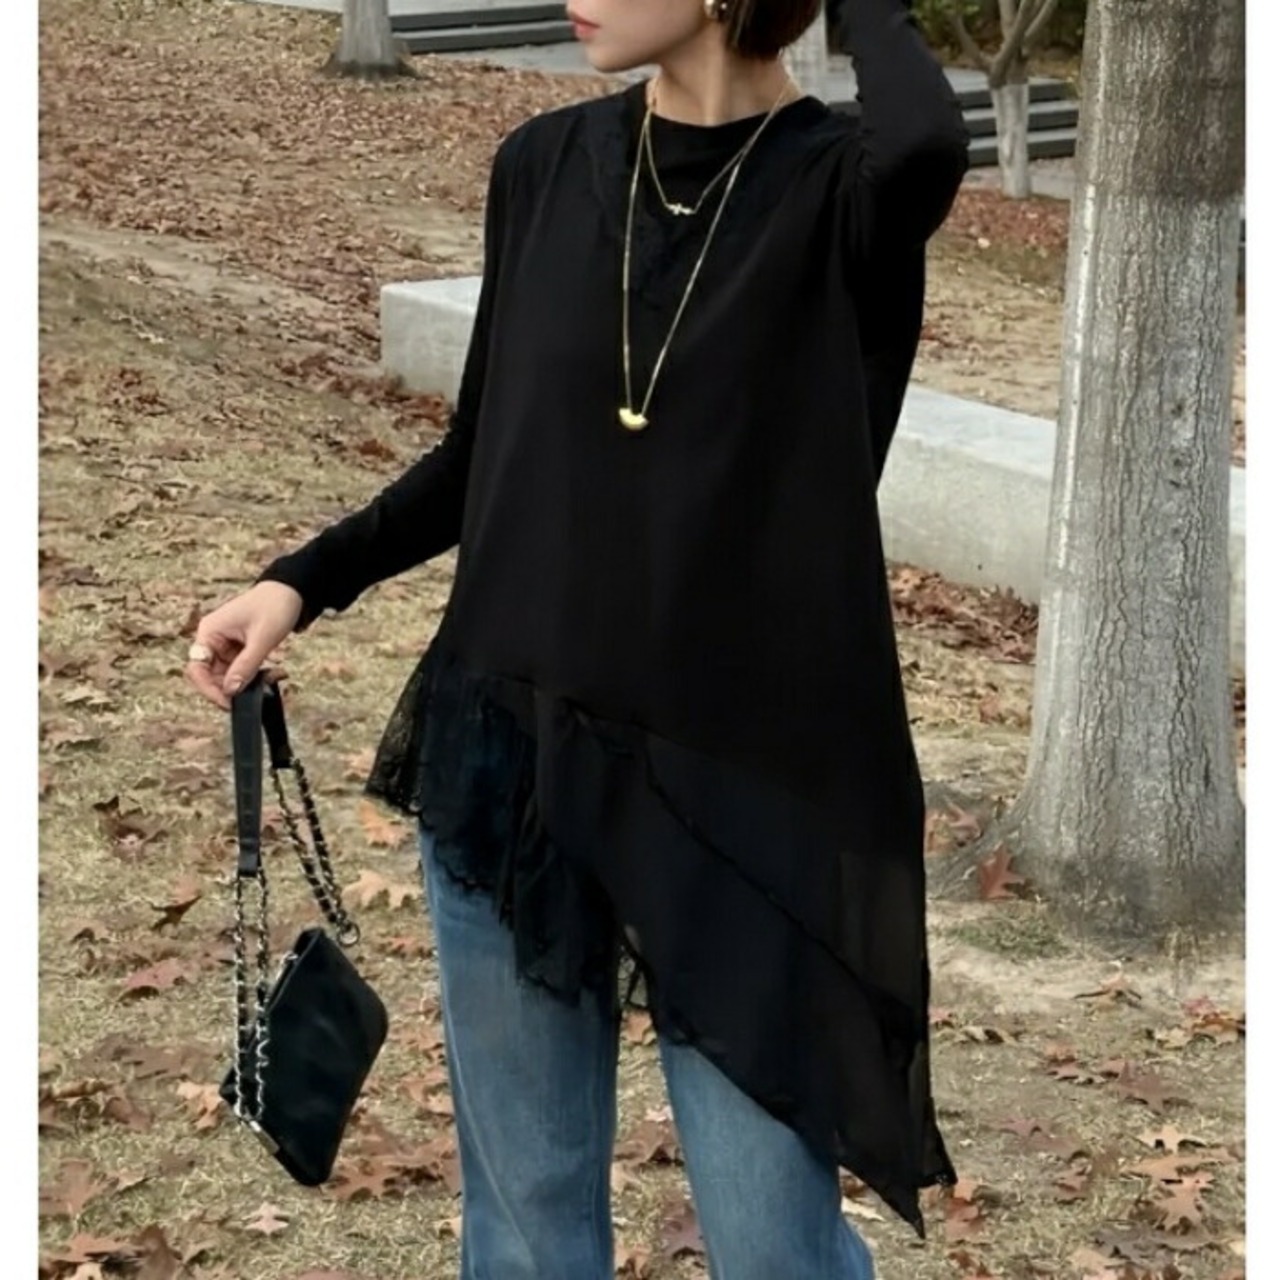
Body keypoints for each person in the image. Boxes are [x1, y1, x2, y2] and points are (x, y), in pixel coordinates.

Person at [187, 0, 969, 1274]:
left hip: (741, 792)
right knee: (526, 1222)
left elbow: (928, 133)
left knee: (771, 1242)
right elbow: (479, 449)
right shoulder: (540, 167)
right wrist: (300, 582)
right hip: (515, 750)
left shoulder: (845, 195)